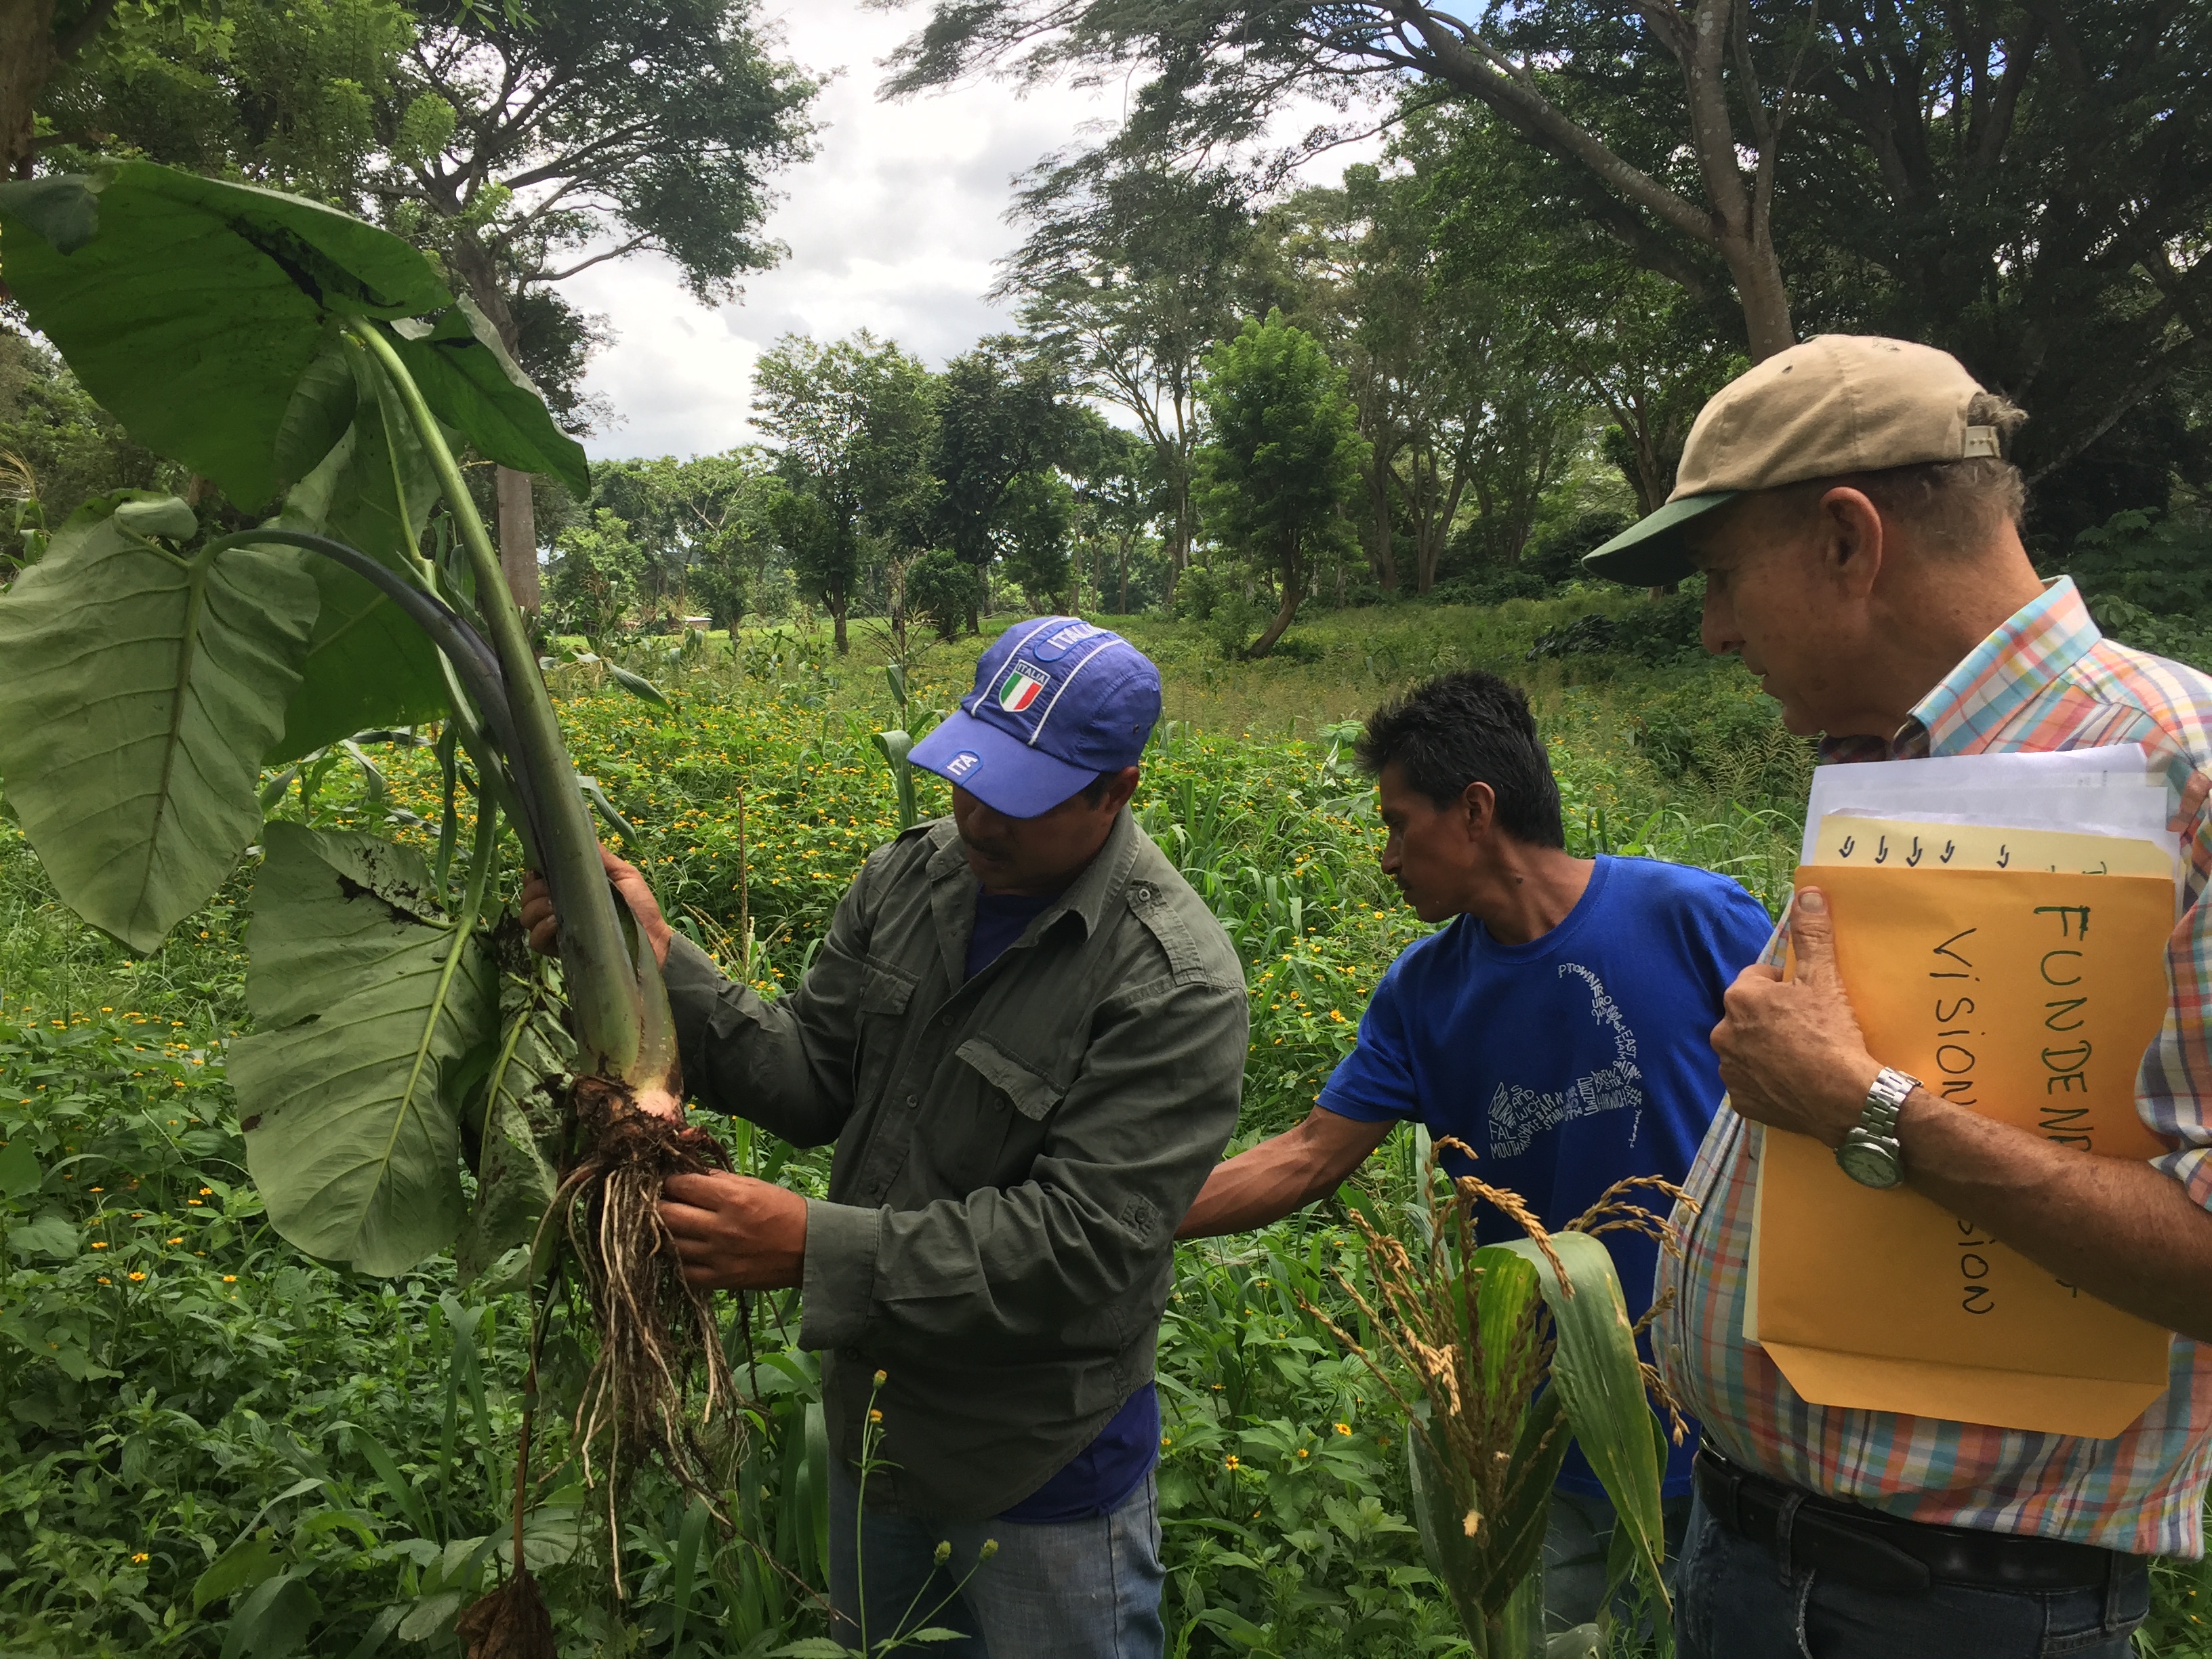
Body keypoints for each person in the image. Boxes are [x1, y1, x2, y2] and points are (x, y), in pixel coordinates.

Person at [1582, 334, 2212, 1658]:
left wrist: (1867, 1109)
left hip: (1958, 1610)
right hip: (1754, 1558)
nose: (1715, 632)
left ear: (1847, 541)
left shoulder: (2174, 776)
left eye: (1719, 577)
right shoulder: (1895, 768)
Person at [521, 617, 1246, 1659]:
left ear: (1115, 791)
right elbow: (816, 1077)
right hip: (878, 1435)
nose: (978, 817)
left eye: (1021, 799)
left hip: (1038, 1468)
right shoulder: (911, 878)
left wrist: (815, 1249)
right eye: (969, 776)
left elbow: (1087, 1244)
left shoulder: (1171, 981)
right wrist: (659, 958)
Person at [1174, 668, 1774, 1635]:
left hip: (1736, 1419)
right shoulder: (1423, 991)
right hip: (1550, 1424)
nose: (1385, 857)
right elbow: (1308, 1155)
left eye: (1399, 823)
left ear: (1476, 811)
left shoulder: (1694, 919)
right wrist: (1114, 1223)